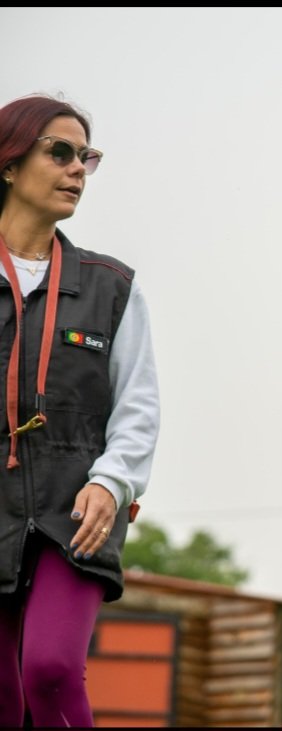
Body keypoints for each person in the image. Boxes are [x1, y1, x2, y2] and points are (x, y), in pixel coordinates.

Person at [0, 93, 161, 726]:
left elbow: (138, 403)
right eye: (59, 153)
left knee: (51, 668)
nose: (76, 170)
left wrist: (113, 481)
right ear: (9, 165)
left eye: (85, 158)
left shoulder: (112, 285)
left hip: (78, 511)